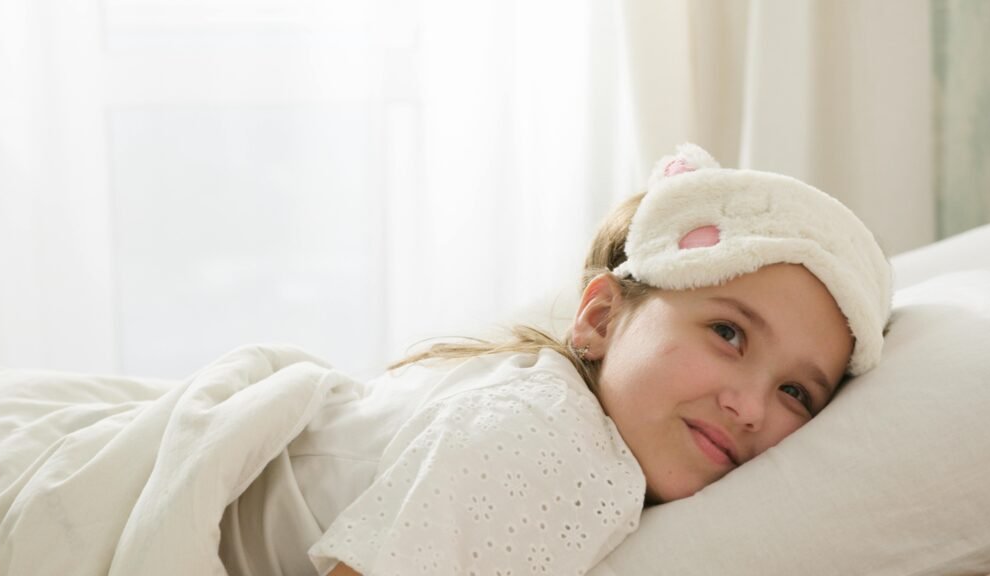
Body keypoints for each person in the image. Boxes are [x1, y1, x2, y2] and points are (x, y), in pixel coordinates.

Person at [216, 143, 892, 576]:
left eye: (797, 394)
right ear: (600, 319)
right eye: (728, 333)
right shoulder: (549, 448)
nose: (749, 406)